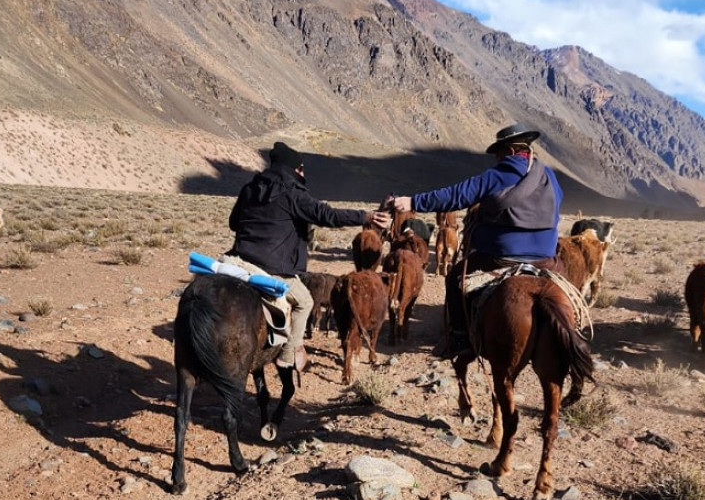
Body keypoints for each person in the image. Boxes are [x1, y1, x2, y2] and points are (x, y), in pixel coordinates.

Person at [392, 123, 564, 357]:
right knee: (566, 285)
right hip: (545, 256)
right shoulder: (550, 177)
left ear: (510, 151)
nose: (496, 159)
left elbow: (456, 196)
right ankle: (573, 329)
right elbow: (557, 205)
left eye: (498, 153)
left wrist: (414, 202)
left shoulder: (497, 175)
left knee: (455, 279)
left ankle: (460, 337)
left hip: (503, 255)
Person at [228, 141, 391, 383]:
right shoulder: (293, 193)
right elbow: (327, 215)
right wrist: (365, 216)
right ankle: (287, 356)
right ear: (295, 169)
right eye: (301, 168)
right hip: (272, 268)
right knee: (304, 301)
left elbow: (233, 223)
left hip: (239, 261)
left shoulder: (250, 188)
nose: (303, 173)